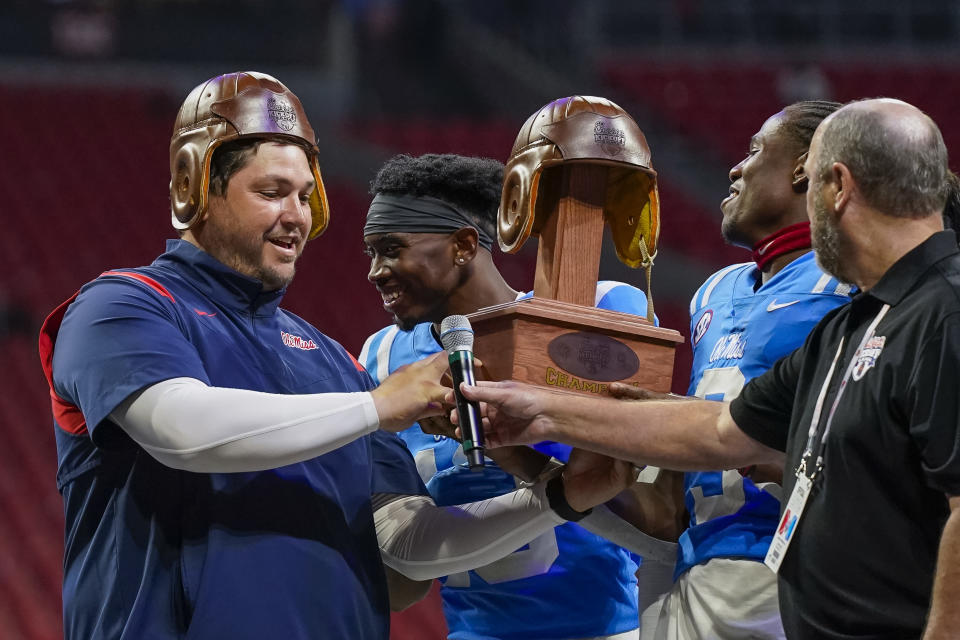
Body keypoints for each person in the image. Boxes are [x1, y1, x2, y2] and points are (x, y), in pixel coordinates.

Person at [37, 72, 630, 640]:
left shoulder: (331, 361)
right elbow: (179, 430)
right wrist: (376, 406)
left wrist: (560, 497)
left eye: (304, 195)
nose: (295, 215)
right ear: (196, 189)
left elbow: (408, 546)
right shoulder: (122, 307)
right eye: (270, 192)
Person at [456, 98, 960, 639]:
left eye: (806, 181)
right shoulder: (847, 324)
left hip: (810, 574)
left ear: (832, 185)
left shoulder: (935, 309)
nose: (736, 168)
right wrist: (539, 413)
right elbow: (720, 431)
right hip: (727, 569)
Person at [360, 153, 681, 640]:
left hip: (603, 630)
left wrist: (518, 442)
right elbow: (402, 575)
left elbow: (656, 503)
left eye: (390, 248)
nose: (375, 271)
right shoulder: (383, 355)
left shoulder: (599, 308)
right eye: (371, 253)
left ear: (465, 245)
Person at [651, 100, 849, 639]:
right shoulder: (715, 290)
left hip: (804, 565)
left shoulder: (856, 281)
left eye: (757, 149)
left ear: (804, 167)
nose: (736, 168)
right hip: (700, 563)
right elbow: (678, 478)